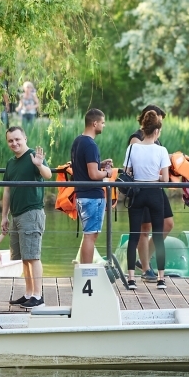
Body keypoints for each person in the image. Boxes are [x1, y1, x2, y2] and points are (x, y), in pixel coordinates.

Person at [1, 126, 51, 308]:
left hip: (32, 212)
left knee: (33, 256)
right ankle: (29, 292)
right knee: (24, 257)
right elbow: (7, 190)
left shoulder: (33, 157)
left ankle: (38, 296)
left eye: (17, 139)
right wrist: (4, 216)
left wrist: (39, 164)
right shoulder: (10, 163)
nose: (14, 143)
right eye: (10, 140)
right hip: (16, 214)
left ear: (25, 138)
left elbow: (48, 174)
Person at [123, 109, 171, 290]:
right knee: (157, 236)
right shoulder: (161, 150)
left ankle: (131, 279)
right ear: (157, 131)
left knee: (134, 236)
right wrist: (156, 177)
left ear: (143, 129)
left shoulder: (132, 148)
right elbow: (165, 179)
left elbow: (127, 172)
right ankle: (160, 279)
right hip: (155, 193)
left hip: (137, 193)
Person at [70, 109, 113, 264]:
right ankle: (86, 273)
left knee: (87, 234)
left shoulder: (78, 141)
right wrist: (107, 173)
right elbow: (94, 175)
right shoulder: (91, 145)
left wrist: (99, 164)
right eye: (102, 122)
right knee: (90, 236)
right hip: (92, 196)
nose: (104, 125)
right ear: (95, 123)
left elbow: (83, 167)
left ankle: (84, 271)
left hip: (81, 195)